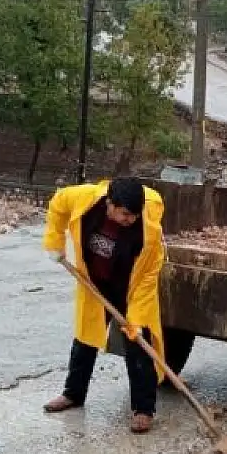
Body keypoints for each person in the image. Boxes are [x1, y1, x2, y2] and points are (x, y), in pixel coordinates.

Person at [40, 177, 167, 434]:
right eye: (124, 214)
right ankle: (73, 394)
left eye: (134, 215)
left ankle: (143, 409)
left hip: (130, 287)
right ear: (109, 204)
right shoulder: (83, 199)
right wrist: (54, 241)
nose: (130, 219)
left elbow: (149, 275)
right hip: (95, 282)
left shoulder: (148, 227)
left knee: (138, 343)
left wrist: (137, 318)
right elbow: (57, 205)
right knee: (86, 337)